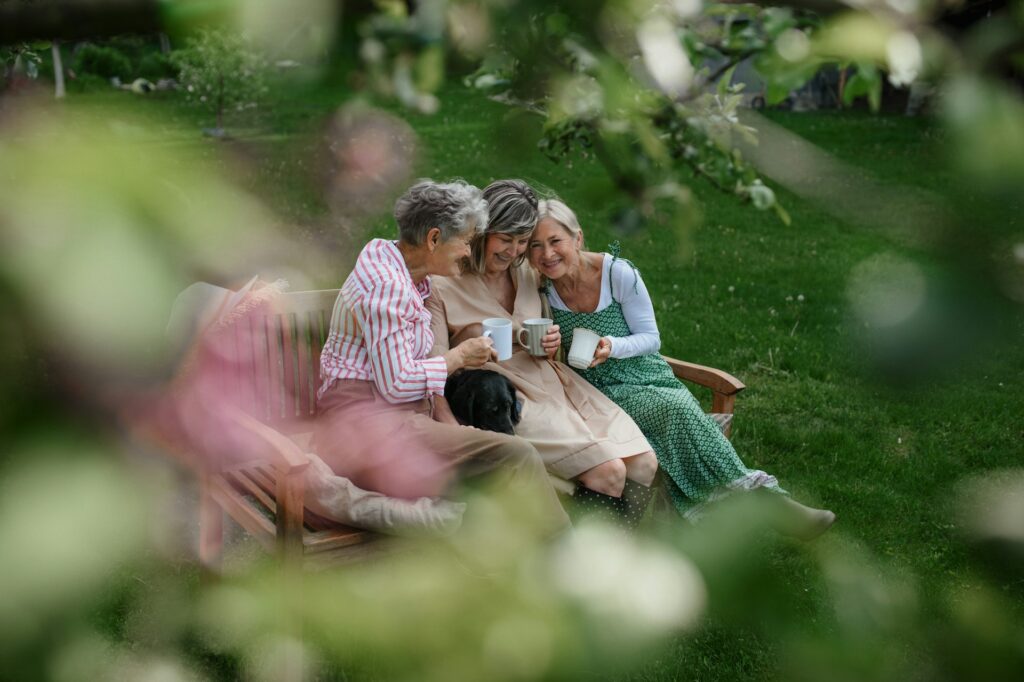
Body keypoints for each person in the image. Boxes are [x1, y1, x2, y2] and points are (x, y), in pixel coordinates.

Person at [529, 197, 836, 539]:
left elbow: (651, 338)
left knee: (676, 409)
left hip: (646, 373)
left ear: (578, 238)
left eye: (555, 241)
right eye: (536, 246)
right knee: (675, 411)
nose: (547, 254)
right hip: (595, 391)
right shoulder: (541, 287)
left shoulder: (617, 274)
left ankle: (759, 504)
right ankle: (767, 504)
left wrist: (613, 346)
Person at [314, 180, 569, 536]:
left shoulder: (401, 269)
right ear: (434, 239)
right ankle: (566, 565)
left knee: (498, 473)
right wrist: (459, 356)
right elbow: (397, 385)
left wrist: (445, 409)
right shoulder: (388, 288)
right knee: (516, 456)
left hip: (392, 420)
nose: (469, 252)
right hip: (367, 429)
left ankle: (515, 568)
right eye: (465, 241)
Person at [426, 179, 659, 524]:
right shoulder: (443, 283)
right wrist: (452, 430)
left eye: (522, 242)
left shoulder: (526, 272)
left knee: (642, 463)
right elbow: (433, 368)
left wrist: (550, 343)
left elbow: (576, 269)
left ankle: (617, 554)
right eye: (505, 239)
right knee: (608, 472)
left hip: (557, 382)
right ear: (481, 231)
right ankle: (589, 566)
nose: (514, 251)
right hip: (508, 395)